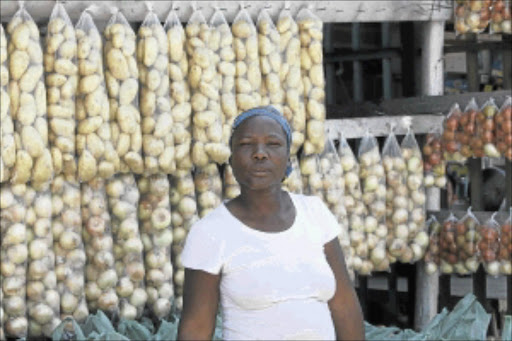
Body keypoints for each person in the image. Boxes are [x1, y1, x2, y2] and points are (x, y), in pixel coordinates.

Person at [177, 106, 365, 340]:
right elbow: (196, 329)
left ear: (288, 158)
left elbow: (345, 305)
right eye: (246, 144)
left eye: (273, 144)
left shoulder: (315, 213)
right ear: (232, 160)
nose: (260, 153)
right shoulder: (210, 232)